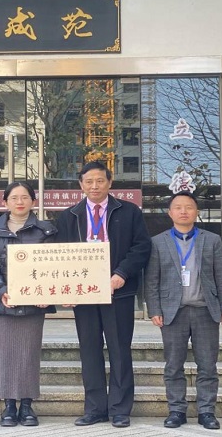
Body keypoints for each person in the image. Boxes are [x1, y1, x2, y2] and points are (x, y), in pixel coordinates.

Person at [55, 161, 151, 428]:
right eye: (89, 181)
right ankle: (95, 408)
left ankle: (120, 409)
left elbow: (141, 247)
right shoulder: (69, 216)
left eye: (100, 180)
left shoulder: (129, 212)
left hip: (117, 290)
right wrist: (66, 286)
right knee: (89, 350)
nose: (94, 186)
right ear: (81, 185)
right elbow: (60, 253)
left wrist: (121, 273)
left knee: (120, 349)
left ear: (110, 182)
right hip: (84, 294)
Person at [144, 190, 222, 430]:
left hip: (206, 310)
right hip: (173, 312)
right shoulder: (158, 242)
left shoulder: (211, 240)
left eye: (189, 207)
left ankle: (207, 412)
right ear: (170, 212)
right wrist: (154, 309)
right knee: (173, 365)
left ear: (197, 212)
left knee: (208, 365)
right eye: (178, 207)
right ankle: (176, 411)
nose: (183, 211)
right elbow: (151, 279)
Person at [0, 182, 57, 427]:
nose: (20, 202)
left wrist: (46, 292)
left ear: (34, 201)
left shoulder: (46, 230)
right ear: (5, 202)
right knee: (6, 354)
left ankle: (26, 405)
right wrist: (1, 290)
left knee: (29, 353)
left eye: (25, 197)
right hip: (5, 301)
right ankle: (8, 406)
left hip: (35, 302)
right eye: (14, 198)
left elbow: (53, 265)